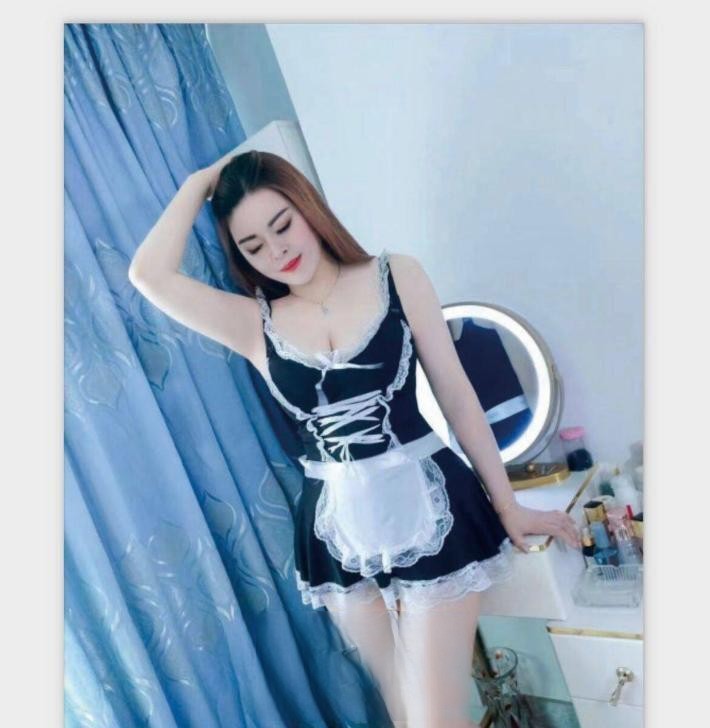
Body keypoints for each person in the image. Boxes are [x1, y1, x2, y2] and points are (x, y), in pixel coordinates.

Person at [129, 149, 582, 728]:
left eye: (282, 225)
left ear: (308, 208)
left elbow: (457, 396)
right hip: (336, 532)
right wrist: (199, 182)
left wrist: (507, 504)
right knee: (405, 712)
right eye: (254, 246)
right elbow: (149, 275)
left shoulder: (396, 275)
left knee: (434, 717)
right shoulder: (253, 323)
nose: (278, 252)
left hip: (434, 508)